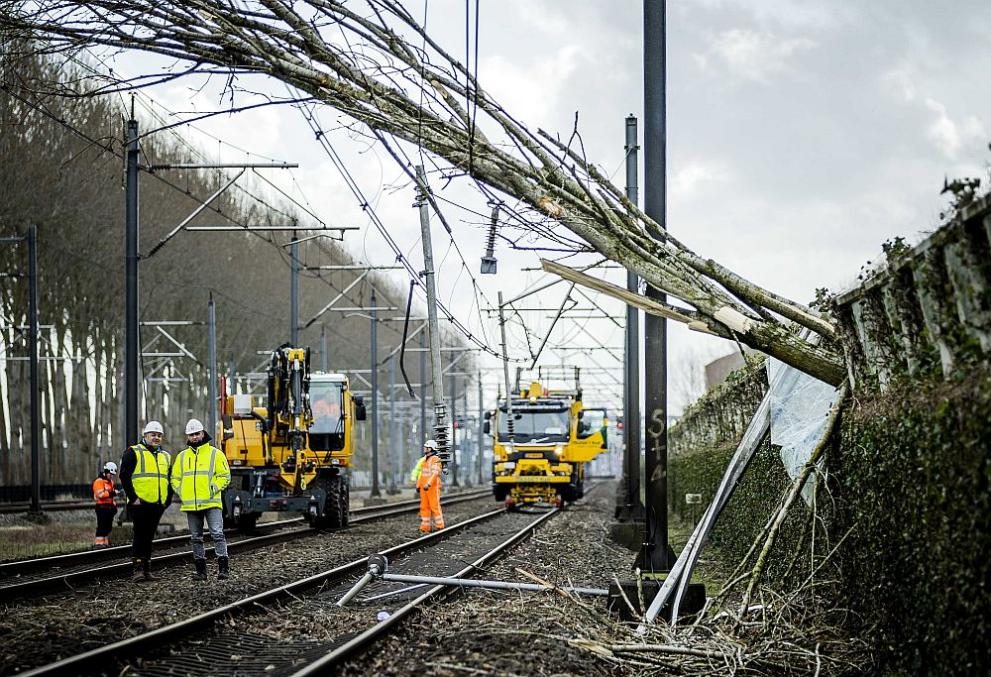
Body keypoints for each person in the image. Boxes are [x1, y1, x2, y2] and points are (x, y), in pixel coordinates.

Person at [171, 418, 232, 581]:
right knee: (196, 538)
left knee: (217, 534)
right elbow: (174, 479)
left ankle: (223, 569)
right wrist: (182, 492)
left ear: (203, 433)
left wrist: (213, 488)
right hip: (191, 505)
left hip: (212, 502)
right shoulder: (182, 457)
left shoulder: (215, 454)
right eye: (191, 435)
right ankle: (201, 572)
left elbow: (225, 476)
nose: (195, 437)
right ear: (188, 437)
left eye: (197, 433)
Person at [119, 420, 173, 581]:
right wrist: (133, 498)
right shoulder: (133, 452)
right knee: (140, 535)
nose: (156, 438)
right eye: (153, 435)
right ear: (145, 435)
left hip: (157, 504)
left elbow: (169, 480)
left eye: (159, 435)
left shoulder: (165, 456)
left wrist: (167, 501)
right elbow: (124, 476)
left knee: (149, 536)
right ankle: (137, 570)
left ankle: (147, 570)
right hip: (139, 503)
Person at [415, 440, 445, 533]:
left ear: (431, 448)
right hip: (424, 488)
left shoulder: (435, 459)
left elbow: (435, 473)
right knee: (424, 507)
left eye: (426, 447)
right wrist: (418, 485)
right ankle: (425, 527)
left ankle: (440, 526)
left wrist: (428, 484)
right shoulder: (424, 460)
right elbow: (422, 474)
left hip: (432, 487)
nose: (424, 448)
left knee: (434, 506)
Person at [92, 462, 118, 548]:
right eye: (110, 474)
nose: (111, 476)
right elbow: (100, 495)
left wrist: (114, 506)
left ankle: (105, 545)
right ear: (106, 472)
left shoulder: (111, 482)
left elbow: (111, 498)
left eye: (113, 475)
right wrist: (112, 493)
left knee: (108, 527)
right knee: (102, 527)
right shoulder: (99, 481)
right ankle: (99, 545)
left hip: (109, 508)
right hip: (101, 508)